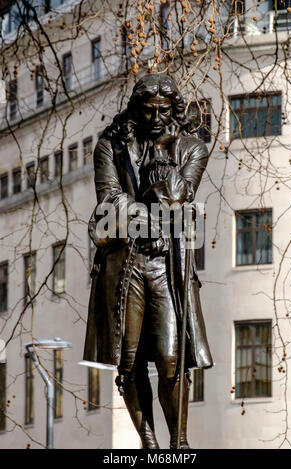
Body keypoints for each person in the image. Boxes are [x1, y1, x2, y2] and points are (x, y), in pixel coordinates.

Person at [83, 74, 213, 449]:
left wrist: (162, 152)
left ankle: (180, 442)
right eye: (148, 110)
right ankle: (150, 442)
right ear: (135, 108)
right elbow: (109, 202)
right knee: (128, 360)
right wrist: (147, 211)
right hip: (123, 266)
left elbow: (176, 197)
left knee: (172, 358)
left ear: (174, 110)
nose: (156, 118)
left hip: (165, 266)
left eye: (163, 111)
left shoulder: (192, 148)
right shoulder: (110, 146)